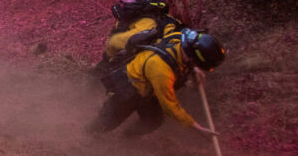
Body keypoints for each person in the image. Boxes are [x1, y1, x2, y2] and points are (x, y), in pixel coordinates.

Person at [86, 27, 225, 138]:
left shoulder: (179, 38)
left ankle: (127, 138)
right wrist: (196, 127)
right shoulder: (161, 70)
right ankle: (85, 138)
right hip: (129, 88)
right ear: (191, 58)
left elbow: (188, 56)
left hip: (149, 90)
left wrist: (194, 68)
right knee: (106, 123)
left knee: (153, 121)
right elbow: (170, 106)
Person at [95, 0, 183, 76]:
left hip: (160, 64)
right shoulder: (146, 17)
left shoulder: (148, 20)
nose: (123, 3)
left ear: (139, 3)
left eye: (128, 0)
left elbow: (116, 41)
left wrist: (107, 59)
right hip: (158, 58)